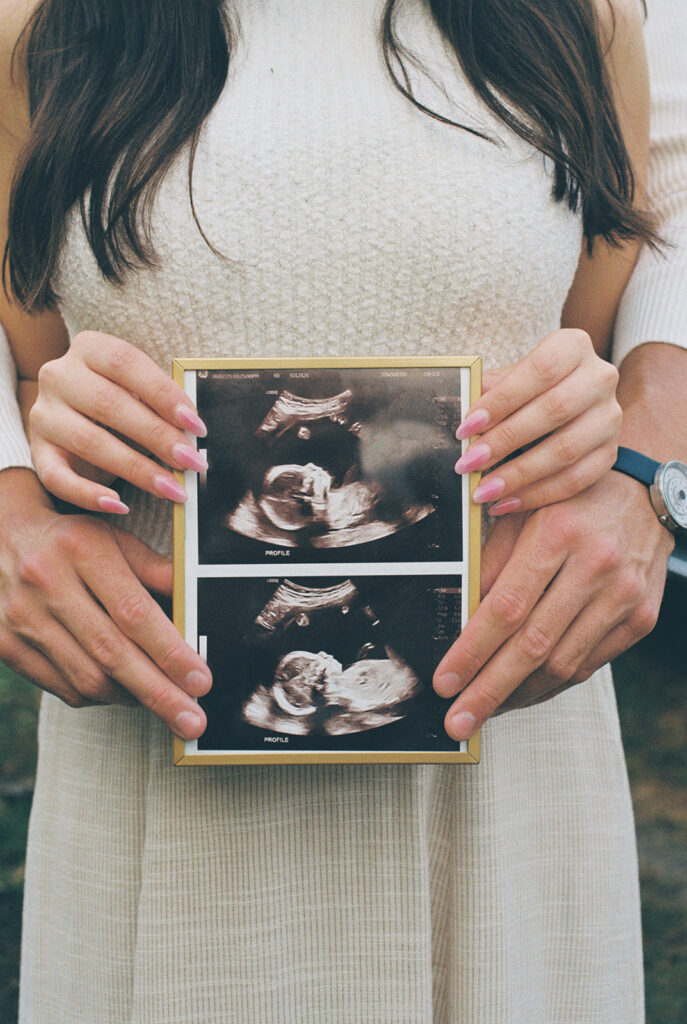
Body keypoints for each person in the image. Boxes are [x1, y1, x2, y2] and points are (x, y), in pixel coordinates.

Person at [0, 1, 684, 1022]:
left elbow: (598, 311)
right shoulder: (33, 26)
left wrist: (637, 449)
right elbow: (31, 350)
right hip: (158, 770)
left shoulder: (585, 24)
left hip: (502, 761)